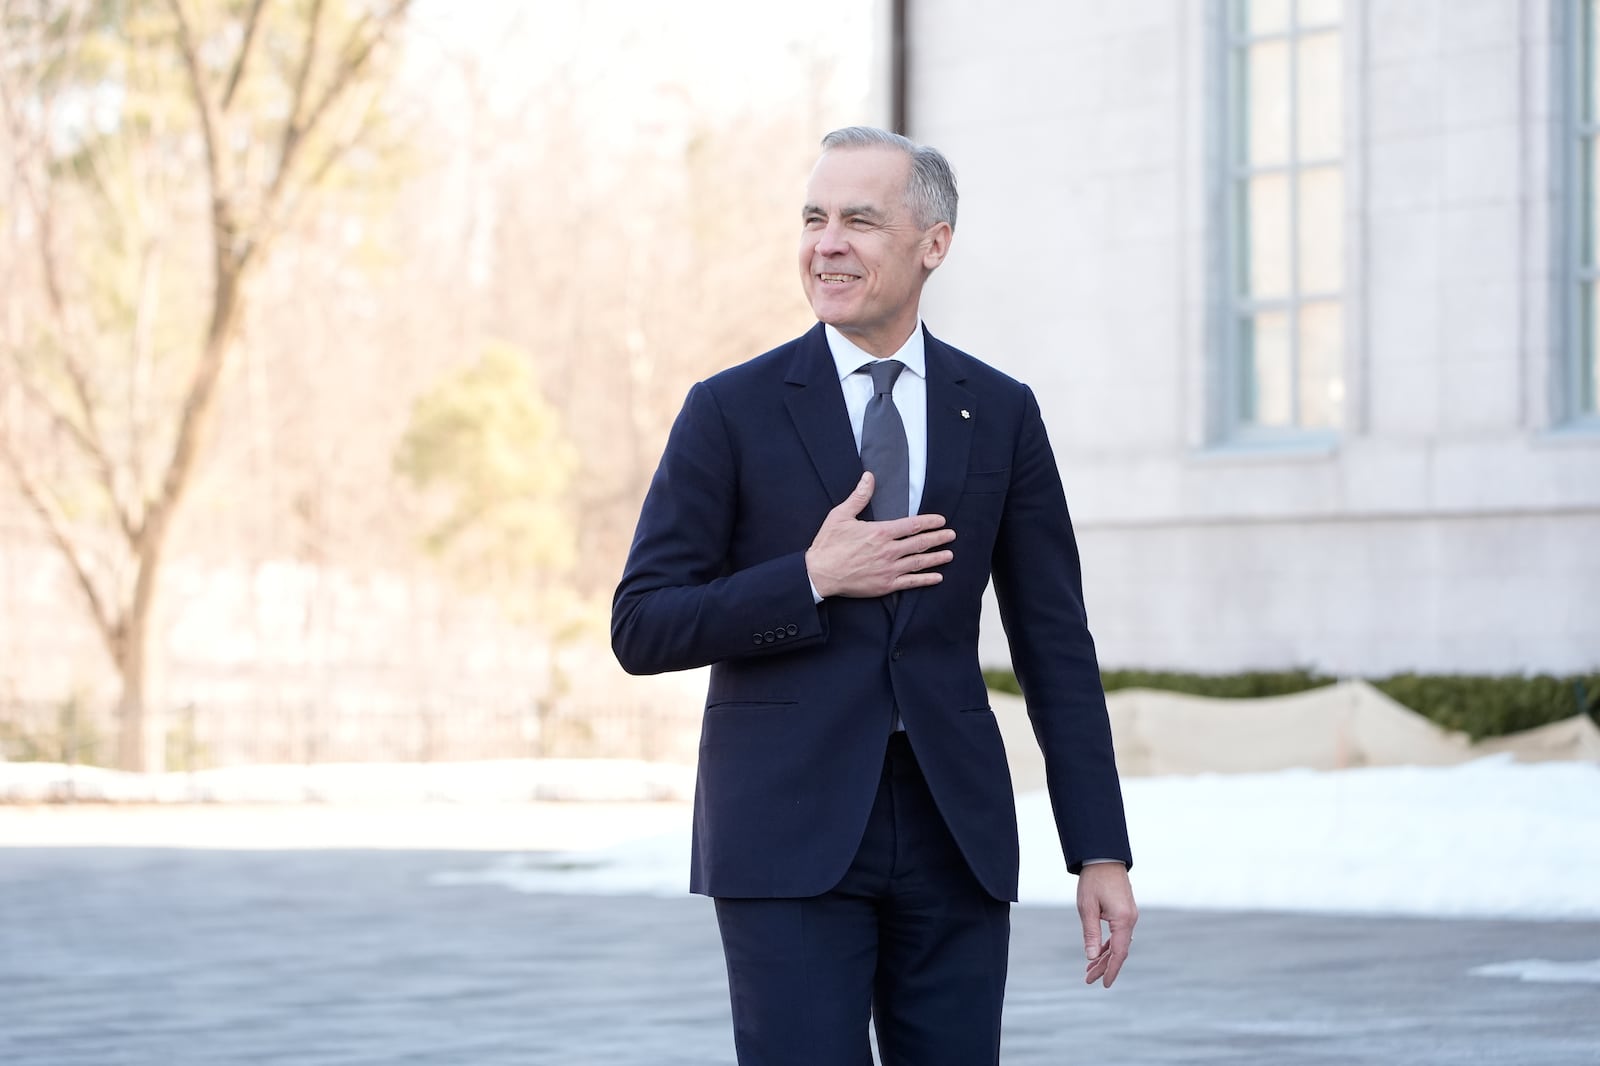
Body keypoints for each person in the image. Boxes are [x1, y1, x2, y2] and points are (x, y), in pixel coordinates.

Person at [612, 126, 1136, 1066]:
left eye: (859, 219)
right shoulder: (729, 409)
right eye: (814, 218)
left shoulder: (1001, 410)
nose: (827, 243)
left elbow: (1055, 643)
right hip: (786, 833)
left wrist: (1100, 850)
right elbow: (641, 623)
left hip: (954, 830)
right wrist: (812, 578)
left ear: (932, 243)